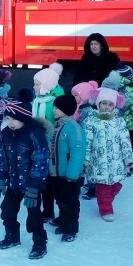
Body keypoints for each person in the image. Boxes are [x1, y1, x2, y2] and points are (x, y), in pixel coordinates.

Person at [0, 89, 50, 260]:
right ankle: (12, 236)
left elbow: (41, 161)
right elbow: (2, 157)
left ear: (24, 118)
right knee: (7, 210)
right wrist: (1, 180)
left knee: (34, 216)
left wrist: (34, 187)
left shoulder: (35, 135)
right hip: (13, 183)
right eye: (8, 118)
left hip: (30, 185)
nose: (10, 122)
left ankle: (39, 244)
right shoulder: (6, 134)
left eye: (15, 119)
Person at [83, 87, 133, 222]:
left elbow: (125, 141)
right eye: (104, 103)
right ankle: (106, 209)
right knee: (103, 187)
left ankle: (105, 199)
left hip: (116, 162)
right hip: (99, 162)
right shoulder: (91, 121)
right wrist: (86, 160)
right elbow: (86, 142)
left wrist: (128, 159)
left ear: (114, 106)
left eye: (110, 104)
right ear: (98, 104)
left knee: (116, 185)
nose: (107, 107)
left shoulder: (119, 122)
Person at [47, 94, 86, 242]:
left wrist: (72, 174)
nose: (54, 111)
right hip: (56, 173)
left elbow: (77, 153)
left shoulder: (74, 128)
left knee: (70, 202)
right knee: (60, 199)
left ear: (65, 109)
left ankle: (70, 229)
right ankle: (63, 221)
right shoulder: (58, 126)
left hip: (70, 175)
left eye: (56, 108)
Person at [31, 62, 65, 222]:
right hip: (37, 145)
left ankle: (50, 210)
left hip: (51, 147)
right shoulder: (37, 100)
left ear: (46, 85)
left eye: (37, 84)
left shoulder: (54, 102)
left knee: (50, 181)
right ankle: (43, 209)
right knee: (40, 177)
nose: (34, 87)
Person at [103, 63, 133, 152]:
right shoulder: (130, 90)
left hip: (111, 123)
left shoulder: (107, 86)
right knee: (127, 147)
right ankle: (127, 163)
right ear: (129, 78)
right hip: (127, 126)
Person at [71, 80, 99, 200]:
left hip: (89, 144)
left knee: (90, 167)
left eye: (76, 95)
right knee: (81, 166)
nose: (73, 97)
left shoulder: (88, 110)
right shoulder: (79, 107)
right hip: (80, 142)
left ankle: (93, 188)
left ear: (84, 95)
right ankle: (82, 185)